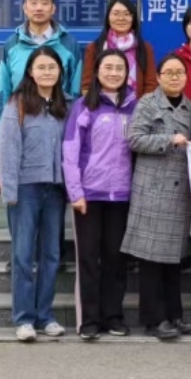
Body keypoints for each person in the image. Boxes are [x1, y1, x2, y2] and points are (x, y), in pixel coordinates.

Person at [0, 47, 71, 343]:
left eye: (52, 67)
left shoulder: (65, 104)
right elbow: (7, 148)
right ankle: (24, 318)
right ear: (30, 71)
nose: (47, 72)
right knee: (23, 255)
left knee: (51, 255)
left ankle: (45, 316)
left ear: (60, 71)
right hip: (25, 189)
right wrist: (9, 190)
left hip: (55, 190)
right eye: (41, 67)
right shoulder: (18, 103)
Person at [123, 55, 191, 340]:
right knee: (152, 261)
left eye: (180, 73)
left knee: (173, 261)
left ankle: (174, 315)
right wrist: (167, 140)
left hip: (179, 194)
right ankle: (154, 319)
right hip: (152, 192)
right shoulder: (147, 103)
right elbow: (134, 139)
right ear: (159, 76)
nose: (175, 77)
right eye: (169, 73)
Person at [63, 49, 137, 340]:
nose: (114, 73)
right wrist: (75, 192)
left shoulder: (136, 106)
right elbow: (70, 152)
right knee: (89, 259)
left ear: (127, 73)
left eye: (120, 68)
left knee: (116, 259)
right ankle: (90, 320)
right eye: (108, 67)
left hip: (122, 195)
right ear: (97, 71)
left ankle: (113, 316)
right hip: (89, 195)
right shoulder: (84, 106)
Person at [0, 0, 82, 136]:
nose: (39, 8)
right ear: (25, 8)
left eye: (45, 3)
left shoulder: (69, 44)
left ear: (53, 9)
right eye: (33, 3)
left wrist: (74, 128)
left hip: (58, 119)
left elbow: (75, 89)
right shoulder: (12, 44)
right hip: (20, 118)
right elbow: (3, 87)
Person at [81, 0, 157, 98]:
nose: (121, 18)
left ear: (133, 18)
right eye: (116, 14)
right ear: (108, 17)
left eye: (126, 14)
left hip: (137, 106)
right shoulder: (94, 47)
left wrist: (141, 106)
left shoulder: (145, 48)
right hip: (101, 106)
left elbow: (150, 85)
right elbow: (87, 85)